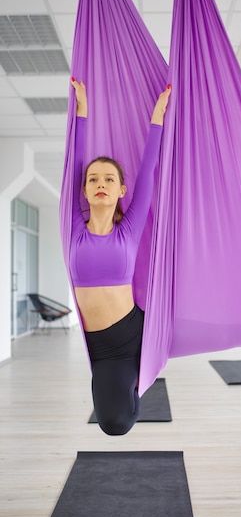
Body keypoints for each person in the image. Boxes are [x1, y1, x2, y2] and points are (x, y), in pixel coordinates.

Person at [68, 77, 171, 435]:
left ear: (120, 190)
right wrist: (81, 112)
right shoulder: (73, 228)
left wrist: (157, 120)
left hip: (130, 335)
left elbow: (148, 172)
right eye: (93, 179)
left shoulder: (128, 228)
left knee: (115, 422)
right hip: (103, 346)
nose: (100, 184)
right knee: (114, 423)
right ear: (83, 189)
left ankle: (139, 379)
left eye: (109, 179)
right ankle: (137, 384)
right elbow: (74, 160)